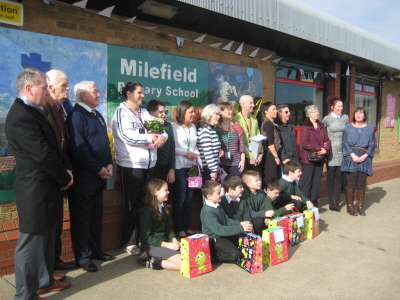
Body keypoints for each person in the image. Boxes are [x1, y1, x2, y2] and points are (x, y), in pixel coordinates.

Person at [5, 68, 73, 299]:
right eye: (44, 87)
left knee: (44, 240)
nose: (47, 91)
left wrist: (65, 172)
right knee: (30, 244)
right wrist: (64, 177)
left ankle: (44, 280)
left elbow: (54, 145)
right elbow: (42, 154)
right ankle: (25, 294)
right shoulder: (21, 115)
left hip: (46, 188)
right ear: (29, 88)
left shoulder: (34, 111)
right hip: (34, 190)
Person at [112, 82, 167, 256]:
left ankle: (144, 239)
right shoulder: (121, 113)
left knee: (146, 204)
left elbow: (162, 128)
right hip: (131, 165)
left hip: (149, 165)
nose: (143, 96)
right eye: (139, 93)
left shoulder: (143, 112)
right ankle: (128, 242)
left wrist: (162, 138)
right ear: (129, 94)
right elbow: (127, 136)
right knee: (131, 205)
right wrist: (152, 137)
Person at [67, 81, 114, 272]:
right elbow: (79, 149)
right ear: (83, 95)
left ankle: (96, 250)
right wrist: (97, 168)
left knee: (96, 216)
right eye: (95, 92)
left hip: (99, 176)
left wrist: (109, 163)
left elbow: (103, 144)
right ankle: (83, 257)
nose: (99, 95)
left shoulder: (97, 115)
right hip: (84, 177)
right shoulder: (76, 116)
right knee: (82, 218)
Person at [43, 69, 76, 271]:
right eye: (64, 85)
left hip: (61, 173)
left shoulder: (60, 108)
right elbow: (49, 147)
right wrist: (63, 173)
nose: (68, 88)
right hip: (49, 177)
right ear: (50, 87)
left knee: (57, 221)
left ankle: (55, 261)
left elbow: (62, 144)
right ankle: (49, 266)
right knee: (49, 223)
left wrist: (68, 169)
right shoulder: (46, 108)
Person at [200, 180, 252, 263]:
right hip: (214, 238)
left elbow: (226, 220)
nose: (221, 195)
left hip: (223, 235)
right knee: (234, 254)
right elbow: (219, 230)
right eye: (218, 193)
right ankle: (212, 257)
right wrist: (240, 227)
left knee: (241, 241)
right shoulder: (207, 211)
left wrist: (240, 223)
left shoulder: (217, 205)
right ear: (209, 196)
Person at [171, 101, 200, 238]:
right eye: (191, 112)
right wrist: (185, 152)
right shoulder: (173, 127)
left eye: (194, 112)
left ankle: (187, 226)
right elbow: (172, 147)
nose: (193, 114)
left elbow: (194, 145)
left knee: (188, 199)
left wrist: (196, 154)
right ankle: (179, 228)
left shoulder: (193, 126)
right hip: (179, 167)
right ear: (182, 112)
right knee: (180, 198)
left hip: (191, 167)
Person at [138, 179, 181, 270]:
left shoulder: (164, 207)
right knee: (183, 265)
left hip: (164, 242)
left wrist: (174, 240)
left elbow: (169, 229)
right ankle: (150, 260)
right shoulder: (146, 212)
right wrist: (168, 245)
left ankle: (159, 258)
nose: (168, 192)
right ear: (155, 192)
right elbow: (146, 237)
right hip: (152, 246)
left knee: (190, 258)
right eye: (165, 190)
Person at [341, 107, 375, 216]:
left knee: (361, 183)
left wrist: (365, 155)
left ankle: (360, 206)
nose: (358, 115)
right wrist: (352, 155)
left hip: (364, 158)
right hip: (351, 157)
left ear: (364, 116)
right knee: (350, 182)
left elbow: (372, 144)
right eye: (356, 113)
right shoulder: (348, 128)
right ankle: (350, 207)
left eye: (361, 113)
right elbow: (344, 142)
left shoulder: (369, 128)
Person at [300, 105, 331, 208]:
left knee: (316, 183)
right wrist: (319, 148)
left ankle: (314, 206)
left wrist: (325, 149)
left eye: (317, 111)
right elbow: (305, 143)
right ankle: (305, 205)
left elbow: (327, 140)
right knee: (307, 183)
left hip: (320, 159)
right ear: (309, 114)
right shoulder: (306, 127)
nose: (317, 113)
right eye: (314, 112)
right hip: (309, 159)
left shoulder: (321, 126)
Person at [322, 96, 349, 211]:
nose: (341, 108)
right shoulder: (327, 119)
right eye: (338, 106)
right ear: (332, 107)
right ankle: (330, 202)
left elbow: (348, 133)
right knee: (331, 176)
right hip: (331, 151)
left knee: (339, 177)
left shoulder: (345, 118)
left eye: (342, 106)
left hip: (341, 151)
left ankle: (337, 202)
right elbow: (322, 134)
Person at [147, 99, 175, 183]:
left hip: (165, 168)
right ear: (152, 113)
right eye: (160, 112)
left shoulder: (168, 126)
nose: (163, 114)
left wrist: (172, 169)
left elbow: (172, 148)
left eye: (165, 112)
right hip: (152, 167)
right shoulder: (147, 125)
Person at [232, 94, 263, 171]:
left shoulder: (254, 118)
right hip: (242, 157)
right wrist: (250, 157)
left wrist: (260, 153)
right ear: (243, 104)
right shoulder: (236, 119)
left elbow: (258, 137)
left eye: (253, 103)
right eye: (251, 103)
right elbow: (239, 141)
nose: (254, 105)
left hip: (255, 156)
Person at [216, 102, 246, 176]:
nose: (231, 112)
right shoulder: (216, 128)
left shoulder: (236, 125)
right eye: (228, 110)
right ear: (221, 111)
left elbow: (242, 143)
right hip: (221, 163)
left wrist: (242, 160)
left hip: (236, 163)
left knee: (236, 184)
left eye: (231, 110)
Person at [197, 104, 223, 181]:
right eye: (216, 114)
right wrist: (214, 170)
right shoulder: (205, 130)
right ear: (209, 115)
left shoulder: (212, 130)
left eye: (219, 114)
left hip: (212, 168)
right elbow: (208, 152)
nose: (218, 117)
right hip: (207, 169)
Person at [260, 102, 281, 183]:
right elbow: (270, 142)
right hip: (270, 155)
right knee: (271, 180)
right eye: (273, 109)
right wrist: (276, 157)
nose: (276, 111)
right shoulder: (268, 123)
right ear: (266, 111)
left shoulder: (270, 122)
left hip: (269, 154)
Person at [276, 104, 300, 173]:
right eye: (286, 112)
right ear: (279, 114)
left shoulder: (290, 126)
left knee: (295, 180)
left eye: (289, 112)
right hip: (286, 159)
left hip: (294, 158)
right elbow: (279, 144)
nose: (289, 114)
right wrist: (283, 157)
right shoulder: (277, 126)